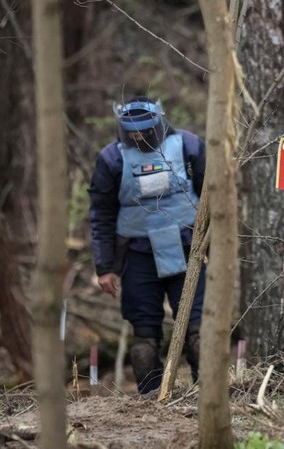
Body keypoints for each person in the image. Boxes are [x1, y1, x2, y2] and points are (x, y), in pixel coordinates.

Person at [88, 96, 206, 394]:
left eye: (145, 131)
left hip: (187, 250)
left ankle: (205, 394)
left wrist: (212, 248)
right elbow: (101, 213)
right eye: (133, 133)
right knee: (144, 338)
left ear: (159, 124)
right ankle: (151, 397)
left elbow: (212, 198)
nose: (139, 137)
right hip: (137, 256)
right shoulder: (111, 159)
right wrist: (104, 267)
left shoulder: (189, 147)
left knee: (197, 331)